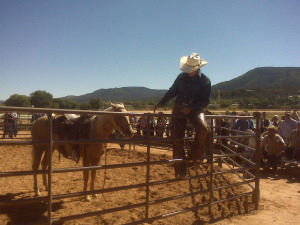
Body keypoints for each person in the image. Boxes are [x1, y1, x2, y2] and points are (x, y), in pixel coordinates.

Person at [154, 52, 211, 179]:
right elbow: (172, 91)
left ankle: (193, 156)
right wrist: (161, 102)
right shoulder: (181, 77)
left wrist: (191, 108)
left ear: (197, 68)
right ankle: (180, 168)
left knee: (203, 129)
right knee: (177, 138)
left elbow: (205, 101)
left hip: (196, 109)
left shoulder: (205, 81)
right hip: (179, 108)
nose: (188, 71)